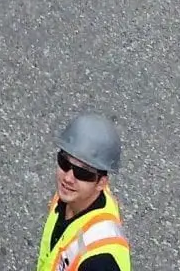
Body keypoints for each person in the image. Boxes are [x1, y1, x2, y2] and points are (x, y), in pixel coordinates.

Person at [38, 114, 131, 270]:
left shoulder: (100, 262)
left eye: (83, 173)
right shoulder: (72, 197)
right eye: (64, 162)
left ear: (101, 183)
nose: (68, 177)